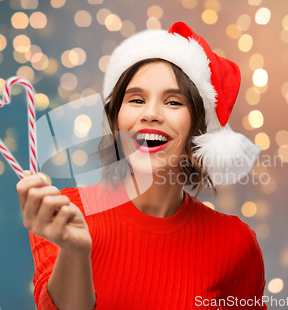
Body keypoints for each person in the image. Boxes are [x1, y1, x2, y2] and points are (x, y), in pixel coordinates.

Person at [17, 22, 266, 310]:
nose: (150, 114)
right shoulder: (62, 213)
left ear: (199, 130)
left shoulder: (234, 244)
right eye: (136, 99)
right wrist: (75, 250)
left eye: (173, 102)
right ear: (116, 120)